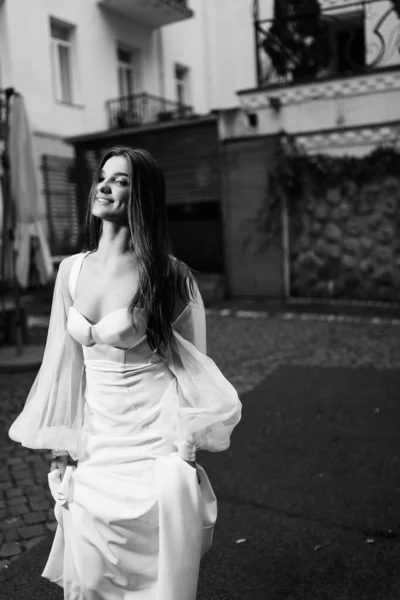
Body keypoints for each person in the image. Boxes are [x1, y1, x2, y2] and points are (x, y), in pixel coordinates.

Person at [9, 147, 242, 600]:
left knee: (152, 576)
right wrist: (62, 442)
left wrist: (186, 450)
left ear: (144, 197)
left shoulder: (171, 275)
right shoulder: (70, 271)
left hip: (152, 442)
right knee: (93, 577)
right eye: (102, 177)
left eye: (121, 180)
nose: (104, 186)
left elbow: (194, 367)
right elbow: (62, 360)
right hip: (98, 442)